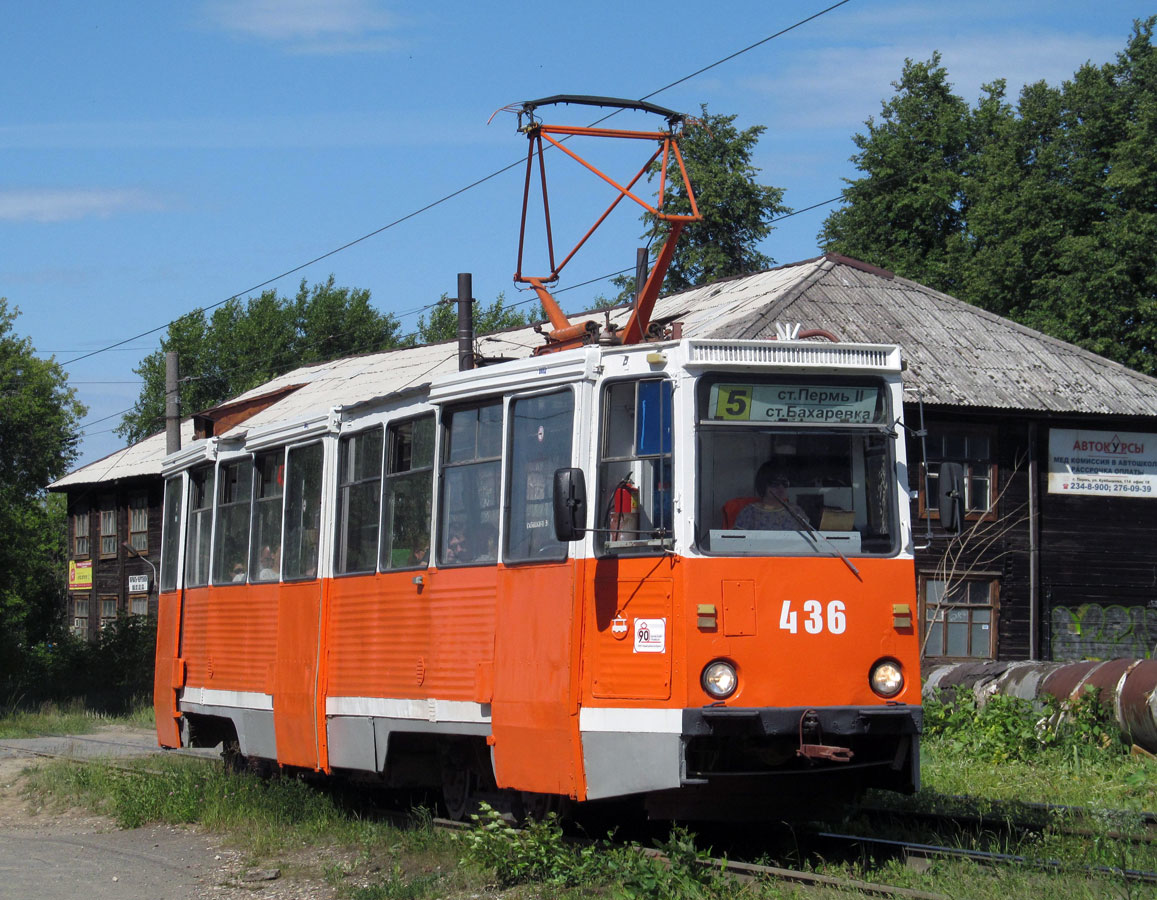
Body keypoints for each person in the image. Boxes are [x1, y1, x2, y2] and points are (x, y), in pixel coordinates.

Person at [733, 463, 810, 531]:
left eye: (784, 483)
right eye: (775, 483)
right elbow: (738, 541)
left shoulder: (796, 511)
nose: (781, 488)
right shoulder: (749, 512)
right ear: (763, 484)